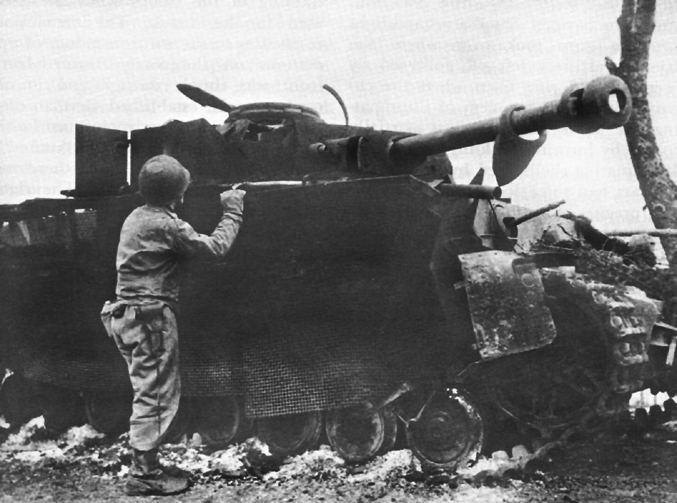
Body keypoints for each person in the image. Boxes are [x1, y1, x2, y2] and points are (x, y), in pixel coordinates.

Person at [100, 155, 245, 496]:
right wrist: (233, 208)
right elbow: (216, 247)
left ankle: (147, 467)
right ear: (178, 193)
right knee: (155, 395)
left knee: (149, 390)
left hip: (129, 314)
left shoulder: (137, 216)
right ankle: (144, 475)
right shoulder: (166, 225)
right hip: (149, 317)